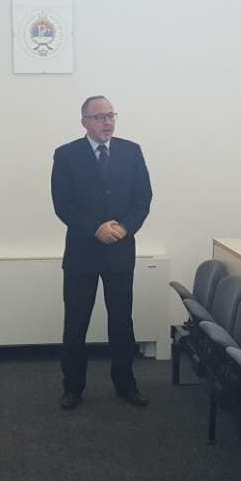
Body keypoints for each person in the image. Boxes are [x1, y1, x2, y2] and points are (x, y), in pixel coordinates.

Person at [50, 96, 153, 410]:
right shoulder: (66, 155)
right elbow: (63, 204)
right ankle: (73, 387)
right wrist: (95, 228)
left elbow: (143, 198)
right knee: (76, 322)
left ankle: (126, 384)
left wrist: (124, 227)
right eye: (99, 117)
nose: (107, 122)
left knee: (121, 321)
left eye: (111, 116)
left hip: (120, 251)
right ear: (84, 122)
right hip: (82, 252)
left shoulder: (131, 151)